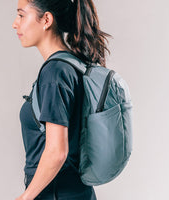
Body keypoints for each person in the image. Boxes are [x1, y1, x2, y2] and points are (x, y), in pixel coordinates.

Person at [12, 0, 111, 199]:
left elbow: (57, 151)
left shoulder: (55, 73)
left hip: (57, 193)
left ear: (46, 19)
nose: (15, 23)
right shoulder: (73, 64)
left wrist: (25, 197)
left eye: (21, 15)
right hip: (74, 191)